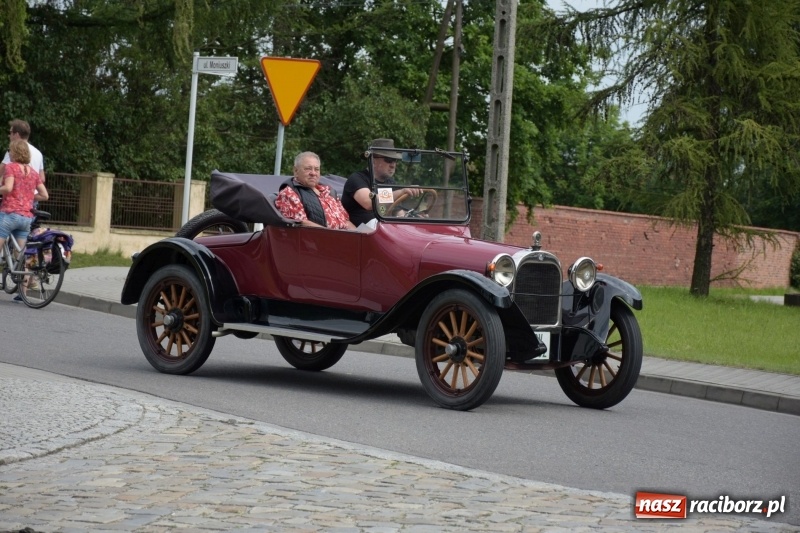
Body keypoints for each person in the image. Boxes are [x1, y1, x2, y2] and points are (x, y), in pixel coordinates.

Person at [0, 139, 49, 299]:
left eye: (10, 151)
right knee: (22, 255)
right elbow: (45, 195)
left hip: (9, 214)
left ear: (14, 152)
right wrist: (28, 196)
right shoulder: (33, 173)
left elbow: (7, 188)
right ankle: (23, 293)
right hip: (26, 217)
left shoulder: (11, 167)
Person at [341, 138, 421, 226]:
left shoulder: (391, 183)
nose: (393, 165)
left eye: (395, 160)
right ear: (373, 161)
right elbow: (369, 203)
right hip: (360, 235)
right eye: (388, 160)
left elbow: (397, 211)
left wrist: (413, 218)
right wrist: (401, 192)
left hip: (383, 232)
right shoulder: (357, 179)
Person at [275, 151, 356, 230]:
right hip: (318, 240)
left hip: (344, 238)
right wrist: (336, 236)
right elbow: (301, 223)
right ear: (296, 171)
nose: (313, 173)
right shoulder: (289, 193)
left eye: (316, 169)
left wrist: (359, 235)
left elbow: (346, 221)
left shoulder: (329, 192)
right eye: (308, 169)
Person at [1, 119, 45, 185]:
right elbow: (42, 178)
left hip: (16, 192)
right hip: (33, 192)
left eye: (10, 132)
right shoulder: (38, 153)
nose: (9, 135)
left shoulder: (14, 150)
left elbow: (1, 171)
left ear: (16, 134)